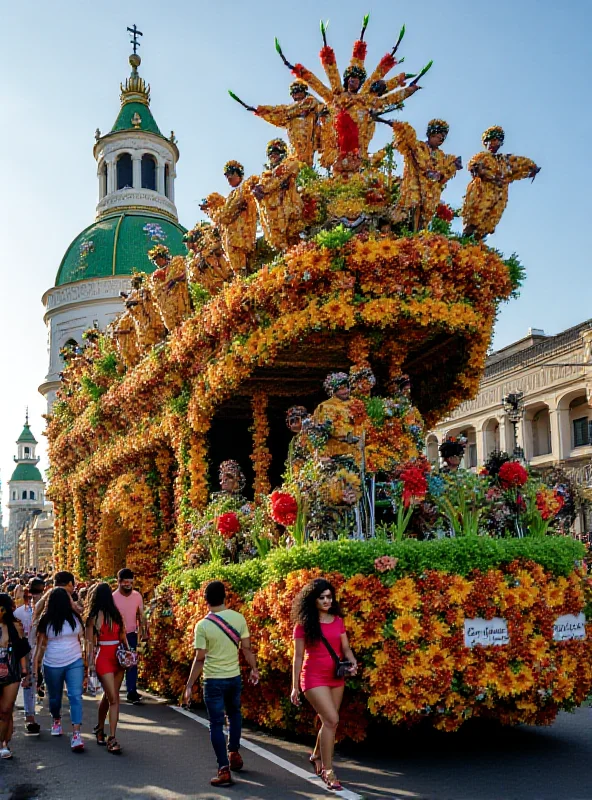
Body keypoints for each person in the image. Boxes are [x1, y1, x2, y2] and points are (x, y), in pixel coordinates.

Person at [183, 580, 259, 788]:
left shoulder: (203, 626)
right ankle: (233, 752)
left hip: (213, 680)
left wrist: (189, 685)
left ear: (205, 600)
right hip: (234, 677)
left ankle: (223, 769)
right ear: (225, 597)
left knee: (216, 724)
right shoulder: (238, 618)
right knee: (234, 714)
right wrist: (254, 668)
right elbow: (246, 648)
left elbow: (199, 659)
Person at [291, 578, 357, 791]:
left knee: (329, 722)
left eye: (329, 597)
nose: (327, 601)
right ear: (313, 600)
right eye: (322, 598)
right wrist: (294, 687)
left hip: (336, 676)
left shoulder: (337, 620)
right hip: (312, 678)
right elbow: (298, 657)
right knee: (331, 719)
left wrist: (352, 661)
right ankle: (328, 771)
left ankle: (317, 755)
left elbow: (345, 648)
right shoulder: (303, 625)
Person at [462, 125, 540, 239]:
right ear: (487, 141)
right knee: (474, 220)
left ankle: (476, 246)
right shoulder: (481, 157)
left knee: (488, 225)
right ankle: (464, 242)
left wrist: (531, 167)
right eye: (493, 140)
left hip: (499, 197)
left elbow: (519, 163)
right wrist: (489, 175)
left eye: (498, 141)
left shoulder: (504, 160)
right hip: (482, 193)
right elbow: (474, 167)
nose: (496, 144)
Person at [33, 588, 86, 752]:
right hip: (52, 663)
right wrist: (35, 669)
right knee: (55, 698)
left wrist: (86, 660)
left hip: (74, 661)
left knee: (75, 696)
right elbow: (39, 647)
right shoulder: (46, 620)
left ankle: (76, 733)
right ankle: (56, 718)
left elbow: (83, 639)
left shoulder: (75, 618)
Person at [86, 583, 130, 754]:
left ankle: (100, 728)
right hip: (116, 656)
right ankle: (111, 737)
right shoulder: (115, 615)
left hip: (105, 655)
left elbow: (89, 644)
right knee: (113, 698)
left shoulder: (94, 617)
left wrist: (88, 664)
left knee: (111, 696)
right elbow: (123, 637)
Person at [201, 161, 258, 276]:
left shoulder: (243, 190)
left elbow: (227, 214)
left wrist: (215, 213)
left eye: (231, 174)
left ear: (239, 173)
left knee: (243, 267)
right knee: (239, 268)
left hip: (241, 235)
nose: (229, 178)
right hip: (233, 237)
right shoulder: (234, 193)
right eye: (227, 176)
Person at [252, 139, 304, 251]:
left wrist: (263, 188)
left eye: (276, 152)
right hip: (273, 220)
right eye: (270, 154)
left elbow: (274, 182)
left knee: (297, 244)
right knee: (283, 249)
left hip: (289, 213)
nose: (273, 156)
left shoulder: (290, 163)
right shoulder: (265, 175)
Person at [0, 593, 31, 759]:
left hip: (11, 671)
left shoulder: (15, 626)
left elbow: (22, 650)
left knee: (6, 710)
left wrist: (25, 672)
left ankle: (4, 743)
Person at [14, 576, 45, 735]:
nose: (35, 596)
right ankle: (28, 716)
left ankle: (30, 716)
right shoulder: (20, 612)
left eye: (37, 593)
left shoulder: (43, 612)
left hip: (34, 651)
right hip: (26, 652)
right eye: (33, 593)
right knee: (27, 683)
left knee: (30, 683)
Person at [112, 568, 145, 704]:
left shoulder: (137, 596)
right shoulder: (112, 597)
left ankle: (132, 691)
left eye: (130, 583)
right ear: (118, 582)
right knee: (116, 663)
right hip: (115, 635)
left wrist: (143, 631)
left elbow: (141, 615)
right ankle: (113, 691)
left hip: (132, 633)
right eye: (125, 582)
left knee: (132, 662)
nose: (127, 585)